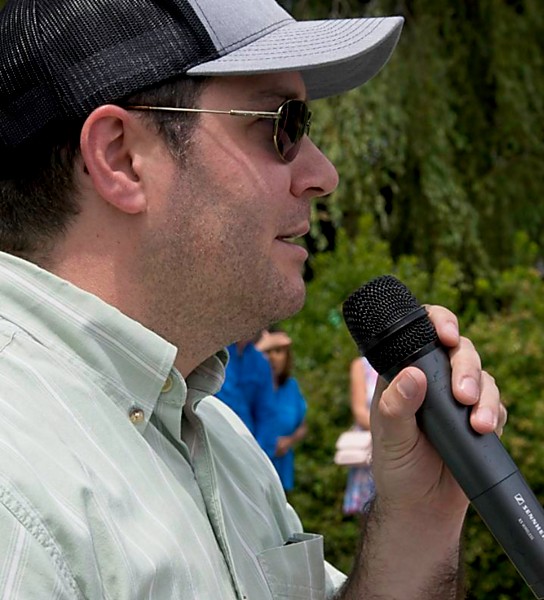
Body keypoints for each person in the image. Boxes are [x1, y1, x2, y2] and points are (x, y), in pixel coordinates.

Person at [0, 0, 507, 598]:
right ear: (121, 158)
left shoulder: (219, 441)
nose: (324, 174)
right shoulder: (17, 489)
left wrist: (420, 517)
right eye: (282, 125)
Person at [255, 329, 308, 492]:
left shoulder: (291, 387)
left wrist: (289, 440)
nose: (272, 358)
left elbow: (303, 425)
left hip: (281, 471)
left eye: (278, 352)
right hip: (254, 466)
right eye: (267, 352)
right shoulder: (250, 386)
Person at [215, 337, 276, 441]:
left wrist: (259, 450)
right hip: (214, 434)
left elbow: (266, 413)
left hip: (246, 440)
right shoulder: (214, 354)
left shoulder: (260, 362)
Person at [342, 357, 379, 516]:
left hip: (402, 446)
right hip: (370, 451)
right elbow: (359, 412)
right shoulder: (361, 366)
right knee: (369, 517)